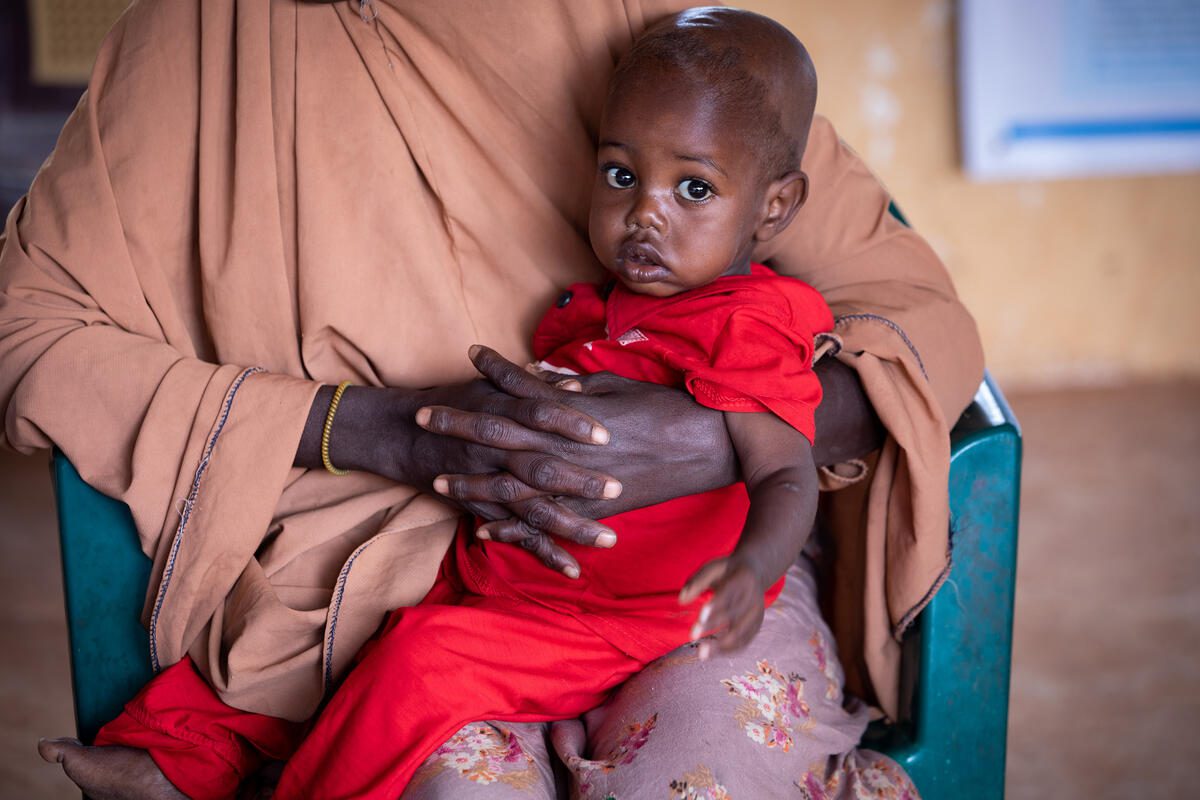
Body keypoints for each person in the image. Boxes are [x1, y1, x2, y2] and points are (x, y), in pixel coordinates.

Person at [3, 1, 982, 798]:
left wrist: (703, 442)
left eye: (683, 189)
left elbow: (918, 319)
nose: (647, 208)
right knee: (400, 741)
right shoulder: (181, 45)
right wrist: (366, 426)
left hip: (682, 578)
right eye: (621, 174)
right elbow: (26, 330)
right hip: (377, 568)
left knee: (709, 773)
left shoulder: (652, 37)